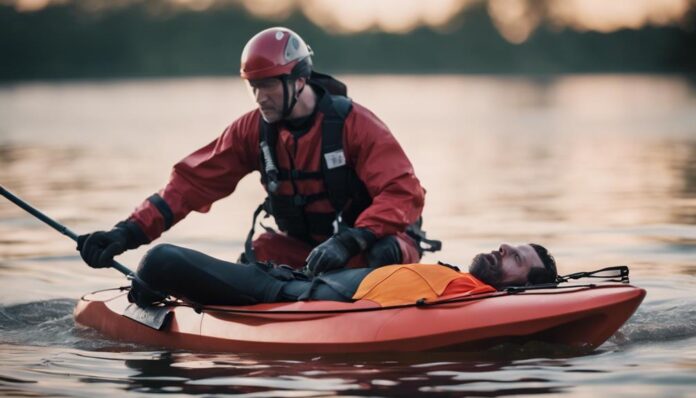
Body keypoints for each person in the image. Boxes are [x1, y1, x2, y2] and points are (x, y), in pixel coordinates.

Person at [77, 26, 439, 277]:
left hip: (373, 246)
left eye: (268, 86)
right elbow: (188, 186)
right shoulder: (251, 130)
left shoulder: (356, 124)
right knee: (261, 251)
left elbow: (403, 192)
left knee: (382, 252)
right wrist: (124, 234)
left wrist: (351, 240)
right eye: (254, 87)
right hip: (312, 252)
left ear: (299, 80)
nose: (260, 97)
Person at [128, 242, 557, 307]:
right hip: (286, 285)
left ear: (520, 287)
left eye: (516, 257)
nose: (502, 248)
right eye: (509, 245)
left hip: (295, 295)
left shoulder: (472, 300)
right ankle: (147, 296)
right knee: (158, 260)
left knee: (162, 259)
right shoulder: (458, 282)